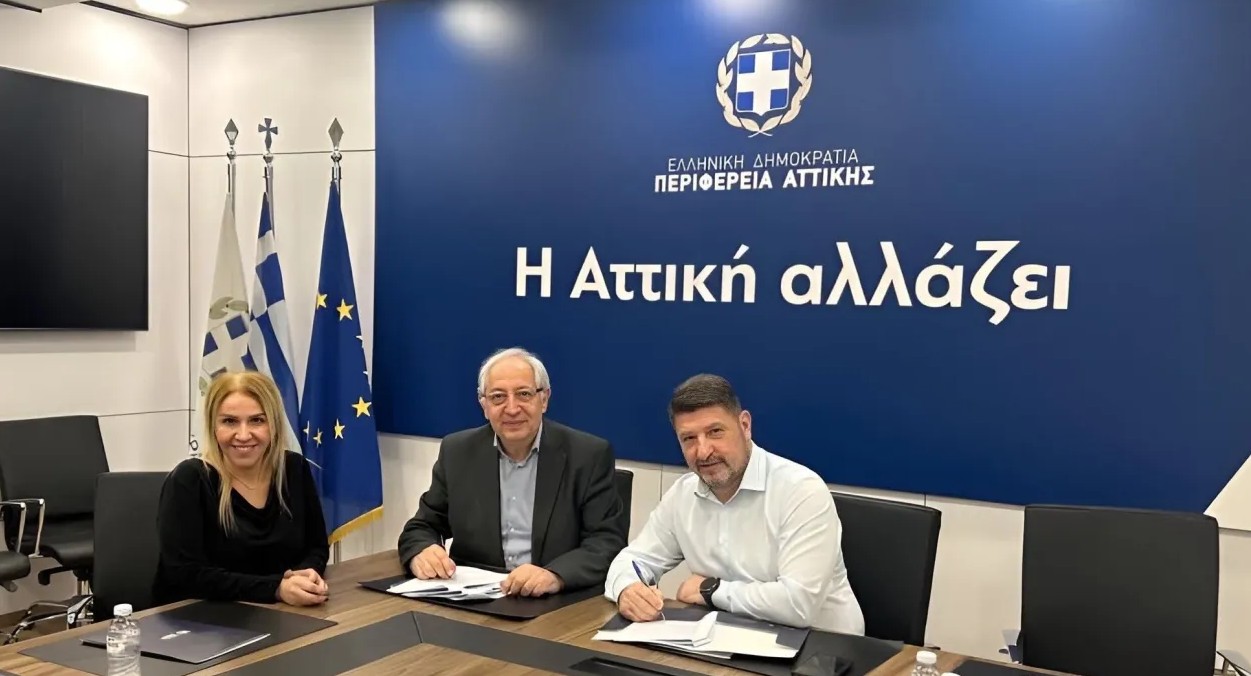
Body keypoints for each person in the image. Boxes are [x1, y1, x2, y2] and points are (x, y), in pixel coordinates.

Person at [605, 374, 865, 634]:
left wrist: (711, 590)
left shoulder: (801, 490)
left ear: (745, 425)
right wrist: (627, 589)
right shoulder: (682, 495)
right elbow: (633, 559)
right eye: (689, 439)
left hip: (822, 643)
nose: (703, 451)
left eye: (715, 432)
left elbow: (799, 604)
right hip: (727, 637)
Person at [397, 347, 627, 596]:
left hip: (554, 600)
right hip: (473, 598)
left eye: (524, 394)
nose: (512, 408)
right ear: (484, 405)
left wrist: (555, 575)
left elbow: (606, 542)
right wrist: (422, 551)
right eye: (498, 397)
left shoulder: (588, 455)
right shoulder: (457, 452)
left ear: (544, 399)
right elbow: (422, 526)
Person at [154, 371, 330, 607]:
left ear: (274, 425)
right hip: (199, 617)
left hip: (284, 612)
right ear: (213, 426)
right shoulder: (190, 480)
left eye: (257, 420)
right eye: (229, 421)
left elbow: (316, 546)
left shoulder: (293, 468)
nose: (244, 435)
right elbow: (185, 574)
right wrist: (276, 589)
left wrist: (306, 575)